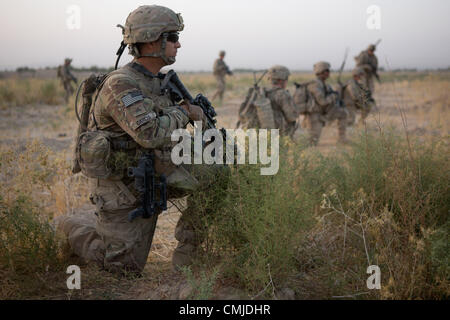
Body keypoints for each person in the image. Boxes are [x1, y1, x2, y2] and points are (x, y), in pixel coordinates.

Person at [57, 5, 228, 275]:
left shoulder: (160, 82)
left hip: (156, 172)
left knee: (221, 173)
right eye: (172, 37)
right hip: (124, 186)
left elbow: (190, 131)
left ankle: (188, 258)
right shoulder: (121, 84)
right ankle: (71, 227)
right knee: (123, 269)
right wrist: (183, 112)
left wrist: (199, 117)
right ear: (150, 39)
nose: (178, 44)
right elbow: (150, 134)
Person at [303, 61, 348, 146]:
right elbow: (322, 101)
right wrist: (333, 96)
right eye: (326, 71)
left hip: (324, 113)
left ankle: (342, 139)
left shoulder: (324, 84)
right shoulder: (314, 84)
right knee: (312, 142)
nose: (328, 73)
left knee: (343, 113)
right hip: (314, 115)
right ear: (320, 72)